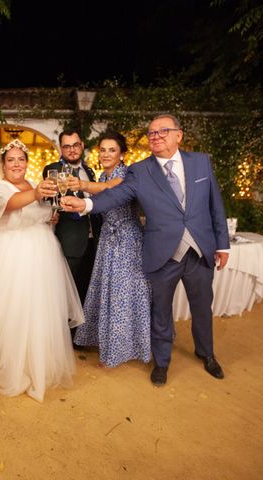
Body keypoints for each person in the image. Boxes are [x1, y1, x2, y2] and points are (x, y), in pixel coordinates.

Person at [62, 114, 230, 386]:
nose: (156, 136)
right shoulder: (140, 171)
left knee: (202, 307)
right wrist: (87, 205)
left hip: (200, 250)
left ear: (179, 135)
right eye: (151, 133)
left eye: (163, 131)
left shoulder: (201, 163)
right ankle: (161, 363)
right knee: (160, 311)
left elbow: (216, 206)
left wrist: (222, 244)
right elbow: (115, 194)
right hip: (163, 253)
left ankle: (206, 353)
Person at [0, 139, 84, 402]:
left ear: (26, 163)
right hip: (9, 253)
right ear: (3, 165)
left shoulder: (34, 186)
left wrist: (49, 214)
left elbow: (40, 211)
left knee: (37, 307)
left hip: (42, 252)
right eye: (11, 160)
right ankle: (4, 351)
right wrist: (36, 196)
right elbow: (10, 205)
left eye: (21, 159)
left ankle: (35, 355)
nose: (17, 164)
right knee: (8, 305)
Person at [70, 131, 152, 367]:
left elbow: (112, 190)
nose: (106, 154)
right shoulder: (102, 176)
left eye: (112, 150)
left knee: (126, 295)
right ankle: (109, 343)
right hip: (108, 238)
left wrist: (82, 185)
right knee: (109, 293)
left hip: (127, 240)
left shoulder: (126, 175)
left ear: (122, 154)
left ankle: (128, 347)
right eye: (102, 150)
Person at [42, 129, 100, 304]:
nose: (72, 150)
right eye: (67, 146)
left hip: (92, 240)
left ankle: (83, 331)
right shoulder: (54, 170)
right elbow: (48, 201)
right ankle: (68, 331)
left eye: (75, 145)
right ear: (61, 149)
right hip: (70, 241)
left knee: (86, 292)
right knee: (68, 294)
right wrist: (52, 214)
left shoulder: (89, 171)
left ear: (81, 145)